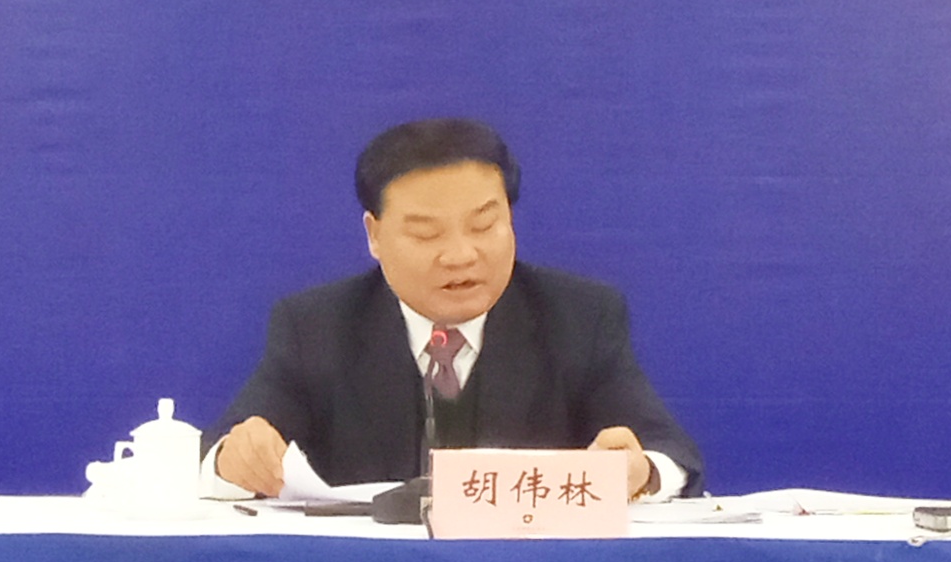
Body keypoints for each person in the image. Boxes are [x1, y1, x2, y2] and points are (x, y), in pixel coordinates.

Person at [210, 117, 701, 500]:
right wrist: (234, 460)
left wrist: (640, 471)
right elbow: (218, 456)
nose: (461, 255)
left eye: (484, 225)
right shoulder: (316, 326)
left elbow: (670, 453)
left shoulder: (580, 317)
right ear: (374, 235)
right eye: (426, 234)